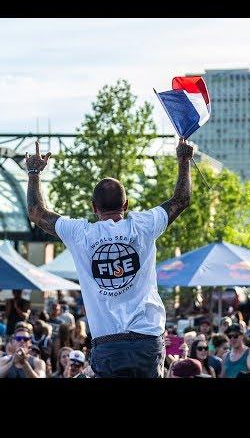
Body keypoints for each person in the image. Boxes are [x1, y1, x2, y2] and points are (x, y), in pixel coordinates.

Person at [26, 139, 194, 378]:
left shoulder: (80, 234)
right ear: (126, 204)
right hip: (148, 341)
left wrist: (34, 172)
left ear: (94, 207)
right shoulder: (144, 226)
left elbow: (36, 213)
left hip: (109, 344)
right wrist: (184, 159)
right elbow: (181, 200)